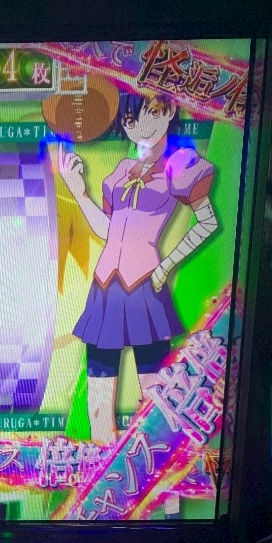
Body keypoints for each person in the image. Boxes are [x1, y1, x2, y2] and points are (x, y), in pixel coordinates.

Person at [58, 90, 218, 452]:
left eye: (152, 114)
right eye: (131, 120)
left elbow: (207, 222)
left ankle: (156, 484)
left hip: (146, 287)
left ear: (170, 111)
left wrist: (166, 265)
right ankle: (104, 481)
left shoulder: (180, 165)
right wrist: (79, 192)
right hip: (105, 290)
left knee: (155, 401)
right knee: (99, 400)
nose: (141, 127)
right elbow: (107, 229)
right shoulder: (120, 172)